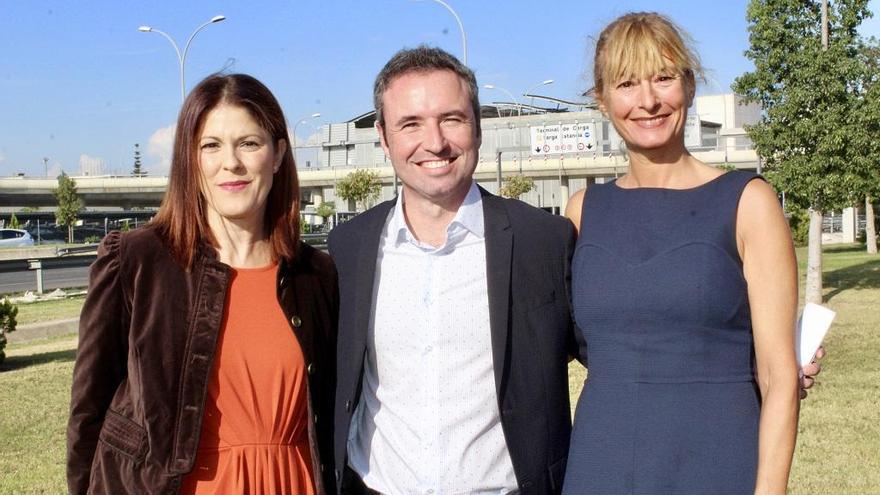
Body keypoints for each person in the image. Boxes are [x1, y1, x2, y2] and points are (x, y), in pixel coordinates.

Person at [562, 12, 800, 494]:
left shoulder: (748, 202)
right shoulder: (583, 210)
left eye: (663, 78)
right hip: (599, 463)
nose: (647, 101)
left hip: (715, 460)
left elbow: (780, 378)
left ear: (689, 87)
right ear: (602, 100)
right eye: (626, 83)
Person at [67, 74, 338, 494]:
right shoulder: (136, 261)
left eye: (249, 143)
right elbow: (88, 413)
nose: (231, 162)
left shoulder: (316, 275)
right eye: (210, 145)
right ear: (190, 160)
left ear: (279, 153)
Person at [329, 46, 579, 494]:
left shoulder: (545, 241)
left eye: (452, 119)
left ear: (478, 128)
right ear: (384, 138)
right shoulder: (348, 248)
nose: (436, 142)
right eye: (411, 124)